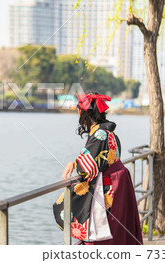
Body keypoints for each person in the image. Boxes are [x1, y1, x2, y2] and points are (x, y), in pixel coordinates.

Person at [58, 92, 143, 245]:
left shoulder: (100, 134)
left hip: (110, 186)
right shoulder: (108, 131)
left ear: (83, 112)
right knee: (117, 231)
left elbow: (87, 167)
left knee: (106, 232)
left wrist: (74, 163)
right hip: (118, 184)